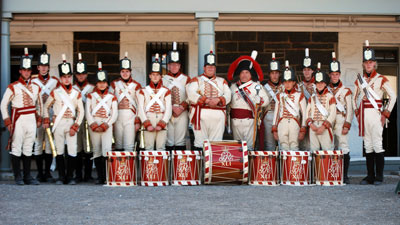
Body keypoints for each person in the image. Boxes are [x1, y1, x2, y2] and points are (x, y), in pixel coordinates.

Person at [354, 40, 397, 185]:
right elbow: (355, 98)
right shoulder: (360, 80)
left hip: (376, 113)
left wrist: (386, 113)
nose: (368, 65)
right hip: (364, 114)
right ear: (363, 64)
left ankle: (379, 177)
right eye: (366, 62)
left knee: (377, 145)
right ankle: (370, 176)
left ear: (374, 64)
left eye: (371, 62)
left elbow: (393, 96)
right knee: (368, 145)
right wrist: (357, 113)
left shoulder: (381, 79)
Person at [1, 48, 42, 185]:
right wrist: (7, 121)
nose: (26, 72)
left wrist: (39, 118)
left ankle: (27, 177)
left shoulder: (36, 87)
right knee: (17, 147)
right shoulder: (13, 87)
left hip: (31, 118)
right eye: (24, 70)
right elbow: (3, 105)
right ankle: (18, 176)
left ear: (31, 71)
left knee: (28, 147)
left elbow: (39, 105)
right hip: (18, 118)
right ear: (20, 71)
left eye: (29, 70)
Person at [43, 54, 84, 185]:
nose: (66, 79)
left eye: (68, 77)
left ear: (71, 77)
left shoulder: (76, 93)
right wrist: (47, 119)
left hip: (70, 123)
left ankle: (70, 176)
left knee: (72, 150)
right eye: (64, 77)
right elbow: (46, 106)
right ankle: (61, 176)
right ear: (60, 78)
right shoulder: (56, 92)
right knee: (59, 150)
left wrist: (76, 125)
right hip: (58, 123)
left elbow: (81, 111)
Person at [186, 49, 231, 150]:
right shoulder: (196, 80)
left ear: (215, 68)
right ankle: (201, 165)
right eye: (208, 66)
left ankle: (211, 166)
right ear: (204, 68)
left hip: (218, 117)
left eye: (212, 66)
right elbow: (190, 93)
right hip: (201, 116)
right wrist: (205, 100)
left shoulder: (222, 81)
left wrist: (218, 99)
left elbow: (228, 95)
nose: (210, 68)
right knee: (200, 143)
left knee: (216, 144)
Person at [227, 51, 269, 150]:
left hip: (249, 121)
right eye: (242, 72)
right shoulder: (233, 87)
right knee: (237, 148)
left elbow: (266, 101)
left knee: (249, 148)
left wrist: (259, 101)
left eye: (246, 72)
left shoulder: (256, 86)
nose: (244, 75)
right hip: (235, 121)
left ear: (250, 74)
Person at [31, 44, 60, 182]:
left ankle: (47, 172)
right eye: (41, 66)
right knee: (37, 143)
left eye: (45, 66)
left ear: (48, 67)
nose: (43, 68)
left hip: (50, 114)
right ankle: (39, 172)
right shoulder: (32, 81)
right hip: (37, 116)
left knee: (49, 144)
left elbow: (59, 98)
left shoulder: (55, 81)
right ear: (37, 68)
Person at [86, 62, 118, 184]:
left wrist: (106, 125)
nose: (101, 84)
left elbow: (114, 114)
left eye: (104, 82)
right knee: (97, 151)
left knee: (106, 150)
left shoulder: (112, 97)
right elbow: (88, 111)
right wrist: (93, 124)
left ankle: (106, 177)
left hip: (106, 126)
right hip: (94, 126)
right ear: (96, 84)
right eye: (99, 83)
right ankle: (99, 177)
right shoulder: (91, 96)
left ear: (107, 84)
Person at [327, 52, 353, 184]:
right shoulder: (325, 90)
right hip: (329, 121)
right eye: (332, 74)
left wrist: (347, 124)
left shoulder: (346, 90)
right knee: (330, 146)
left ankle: (344, 175)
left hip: (341, 120)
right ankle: (333, 174)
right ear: (330, 75)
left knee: (343, 146)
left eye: (337, 74)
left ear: (340, 75)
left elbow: (350, 109)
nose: (335, 76)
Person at [137, 54, 172, 150]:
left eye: (157, 75)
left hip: (161, 118)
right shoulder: (143, 91)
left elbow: (168, 109)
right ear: (149, 76)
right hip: (148, 118)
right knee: (149, 148)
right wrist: (146, 124)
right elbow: (140, 108)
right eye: (153, 75)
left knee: (161, 148)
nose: (155, 77)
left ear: (161, 76)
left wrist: (162, 123)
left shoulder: (166, 91)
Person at [110, 52, 142, 151]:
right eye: (122, 71)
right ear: (120, 72)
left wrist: (137, 121)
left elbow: (139, 104)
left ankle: (129, 166)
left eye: (127, 71)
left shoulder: (136, 85)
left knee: (129, 146)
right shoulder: (114, 84)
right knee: (118, 145)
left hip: (131, 118)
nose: (125, 73)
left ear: (130, 72)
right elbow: (109, 102)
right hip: (117, 117)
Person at [272, 61, 307, 151]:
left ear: (294, 82)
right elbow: (276, 113)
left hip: (294, 123)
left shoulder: (300, 95)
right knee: (283, 147)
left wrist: (303, 128)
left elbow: (304, 114)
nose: (287, 84)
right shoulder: (280, 96)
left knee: (294, 146)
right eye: (285, 82)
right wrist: (274, 129)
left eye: (290, 82)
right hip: (282, 123)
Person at [163, 42, 191, 151]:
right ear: (168, 66)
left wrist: (182, 107)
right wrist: (170, 108)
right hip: (168, 111)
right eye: (171, 65)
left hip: (182, 111)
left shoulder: (186, 79)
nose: (174, 67)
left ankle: (179, 165)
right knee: (168, 140)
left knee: (180, 140)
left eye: (176, 65)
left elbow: (190, 96)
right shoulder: (163, 79)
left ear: (179, 66)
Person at [73, 53, 95, 182]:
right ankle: (78, 175)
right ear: (76, 75)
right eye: (78, 74)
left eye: (83, 74)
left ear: (86, 75)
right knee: (77, 148)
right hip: (76, 120)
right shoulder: (72, 89)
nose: (81, 76)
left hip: (88, 120)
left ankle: (88, 174)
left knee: (89, 148)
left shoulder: (92, 88)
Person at [306, 63, 336, 152]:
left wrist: (323, 127)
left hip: (325, 127)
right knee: (313, 151)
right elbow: (307, 113)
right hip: (313, 126)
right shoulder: (312, 98)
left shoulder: (330, 97)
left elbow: (332, 114)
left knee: (327, 151)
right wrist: (311, 125)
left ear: (325, 84)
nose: (319, 85)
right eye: (317, 83)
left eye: (322, 83)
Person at [263, 52, 283, 150]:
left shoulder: (284, 87)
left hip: (282, 116)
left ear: (279, 74)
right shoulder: (264, 88)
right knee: (269, 144)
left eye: (276, 73)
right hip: (269, 115)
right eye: (272, 73)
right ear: (269, 74)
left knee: (283, 143)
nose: (274, 75)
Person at [298, 48, 315, 151]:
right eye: (305, 70)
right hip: (302, 119)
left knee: (312, 146)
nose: (307, 72)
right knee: (303, 146)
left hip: (314, 118)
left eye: (309, 69)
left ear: (312, 71)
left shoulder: (318, 86)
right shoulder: (299, 86)